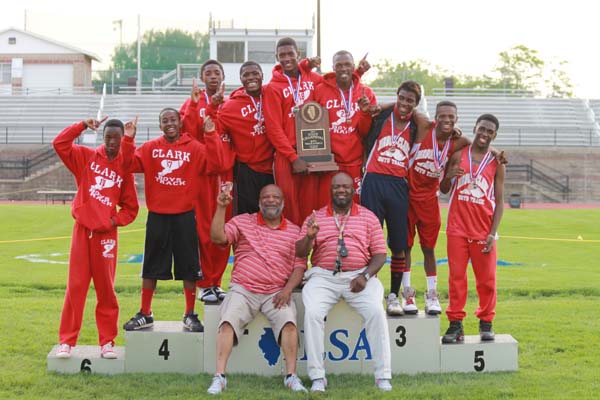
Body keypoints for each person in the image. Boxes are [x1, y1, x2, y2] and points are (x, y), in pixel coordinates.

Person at [121, 108, 223, 333]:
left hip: (185, 215)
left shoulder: (195, 148)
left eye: (173, 120)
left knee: (189, 268)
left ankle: (189, 314)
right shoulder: (150, 148)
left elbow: (217, 165)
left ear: (180, 123)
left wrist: (211, 135)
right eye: (164, 120)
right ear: (160, 126)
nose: (169, 124)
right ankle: (145, 312)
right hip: (158, 216)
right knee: (151, 268)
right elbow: (127, 165)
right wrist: (128, 139)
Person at [206, 184, 307, 395]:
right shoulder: (242, 222)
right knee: (227, 322)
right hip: (244, 288)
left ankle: (291, 376)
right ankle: (219, 377)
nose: (270, 200)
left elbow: (299, 267)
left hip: (276, 292)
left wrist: (288, 290)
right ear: (259, 202)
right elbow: (217, 238)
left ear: (283, 202)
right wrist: (221, 208)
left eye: (275, 197)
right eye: (266, 197)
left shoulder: (295, 231)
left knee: (289, 322)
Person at [296, 172, 392, 392]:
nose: (341, 190)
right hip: (323, 276)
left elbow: (379, 254)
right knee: (312, 314)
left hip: (359, 275)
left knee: (377, 312)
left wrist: (365, 276)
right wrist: (310, 236)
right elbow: (299, 253)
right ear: (330, 190)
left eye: (346, 187)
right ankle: (318, 377)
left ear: (353, 190)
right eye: (337, 187)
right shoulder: (316, 217)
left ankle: (383, 375)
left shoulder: (368, 217)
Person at [53, 117, 139, 359]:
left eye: (117, 138)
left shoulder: (124, 168)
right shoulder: (86, 158)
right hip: (82, 232)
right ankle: (67, 341)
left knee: (106, 290)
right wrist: (81, 125)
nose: (112, 142)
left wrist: (113, 221)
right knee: (76, 287)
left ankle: (107, 342)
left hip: (106, 236)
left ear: (122, 139)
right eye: (108, 137)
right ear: (103, 137)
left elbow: (131, 209)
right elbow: (59, 144)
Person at [361, 80, 428, 316]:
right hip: (373, 182)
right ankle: (372, 295)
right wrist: (388, 105)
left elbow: (431, 124)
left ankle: (393, 296)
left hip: (398, 185)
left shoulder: (416, 124)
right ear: (396, 96)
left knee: (399, 245)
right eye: (401, 98)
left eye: (410, 100)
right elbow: (370, 111)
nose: (404, 103)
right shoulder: (382, 117)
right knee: (369, 244)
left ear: (416, 104)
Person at [439, 114, 505, 343]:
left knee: (486, 280)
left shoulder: (497, 162)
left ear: (494, 135)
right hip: (457, 228)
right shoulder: (458, 155)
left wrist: (492, 232)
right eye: (482, 129)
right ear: (475, 128)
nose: (484, 134)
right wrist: (449, 176)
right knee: (456, 278)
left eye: (490, 132)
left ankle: (486, 321)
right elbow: (444, 189)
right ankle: (455, 324)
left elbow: (499, 201)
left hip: (482, 230)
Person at [405, 101, 469, 315]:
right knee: (405, 247)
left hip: (429, 201)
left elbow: (480, 144)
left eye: (451, 117)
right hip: (406, 196)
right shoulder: (425, 127)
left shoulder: (458, 142)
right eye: (442, 116)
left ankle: (432, 294)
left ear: (456, 119)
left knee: (428, 249)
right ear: (436, 117)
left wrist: (496, 153)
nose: (447, 120)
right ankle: (407, 293)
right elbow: (407, 107)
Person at [180, 59, 233, 303]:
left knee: (223, 229)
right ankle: (204, 283)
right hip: (202, 175)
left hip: (226, 173)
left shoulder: (232, 102)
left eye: (217, 72)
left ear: (223, 76)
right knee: (202, 229)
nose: (213, 76)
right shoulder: (194, 101)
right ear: (202, 78)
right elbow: (186, 134)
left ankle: (217, 282)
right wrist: (193, 105)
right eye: (208, 73)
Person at [263, 37, 323, 226]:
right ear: (277, 57)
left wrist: (358, 73)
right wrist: (293, 157)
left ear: (299, 55)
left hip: (312, 150)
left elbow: (336, 84)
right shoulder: (273, 88)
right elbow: (273, 128)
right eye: (282, 55)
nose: (287, 58)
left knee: (310, 207)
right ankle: (290, 254)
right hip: (287, 156)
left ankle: (310, 252)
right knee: (289, 208)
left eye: (291, 54)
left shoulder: (314, 79)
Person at [313, 50, 376, 205]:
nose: (343, 68)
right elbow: (311, 123)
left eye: (347, 64)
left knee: (353, 209)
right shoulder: (320, 90)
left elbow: (366, 132)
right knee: (326, 208)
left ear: (353, 66)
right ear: (333, 68)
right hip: (329, 163)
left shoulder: (366, 92)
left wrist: (365, 112)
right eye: (339, 65)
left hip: (354, 163)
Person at [216, 61, 274, 215]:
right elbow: (217, 132)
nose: (251, 77)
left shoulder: (271, 95)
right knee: (248, 216)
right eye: (246, 75)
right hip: (249, 170)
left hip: (274, 167)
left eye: (255, 73)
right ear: (241, 79)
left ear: (262, 75)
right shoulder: (229, 107)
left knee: (273, 211)